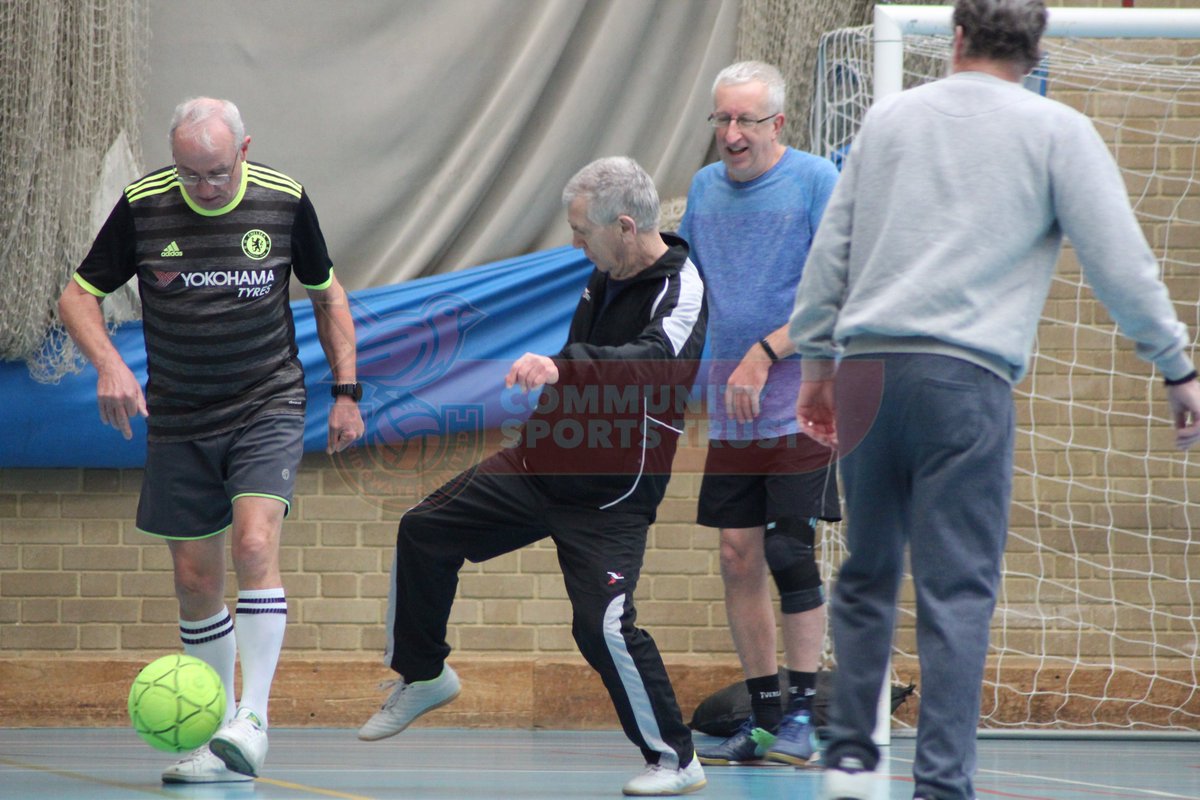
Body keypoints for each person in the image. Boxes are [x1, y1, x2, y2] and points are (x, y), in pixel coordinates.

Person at [786, 2, 1200, 799]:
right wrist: (1174, 364)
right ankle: (942, 785)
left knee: (867, 570)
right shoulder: (1057, 130)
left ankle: (851, 758)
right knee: (956, 589)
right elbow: (1120, 262)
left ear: (956, 39)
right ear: (1037, 52)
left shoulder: (889, 119)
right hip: (964, 380)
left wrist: (815, 363)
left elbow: (831, 250)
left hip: (867, 371)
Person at [357, 156, 709, 797]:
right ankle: (424, 674)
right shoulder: (606, 271)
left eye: (581, 232)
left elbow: (654, 362)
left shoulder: (681, 287)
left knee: (602, 627)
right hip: (539, 464)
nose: (575, 244)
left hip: (611, 494)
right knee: (426, 529)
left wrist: (561, 366)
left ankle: (675, 759)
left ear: (624, 227)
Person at [58, 97, 365, 784]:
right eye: (190, 174)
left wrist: (347, 393)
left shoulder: (284, 202)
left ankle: (253, 718)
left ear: (244, 151)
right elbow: (76, 296)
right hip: (180, 414)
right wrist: (109, 365)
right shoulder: (144, 206)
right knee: (194, 581)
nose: (204, 187)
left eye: (218, 173)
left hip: (267, 402)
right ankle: (219, 735)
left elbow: (328, 295)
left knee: (254, 545)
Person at [677, 61, 840, 768]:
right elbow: (686, 282)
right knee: (736, 555)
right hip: (732, 412)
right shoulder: (704, 189)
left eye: (746, 119)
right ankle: (767, 718)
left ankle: (804, 716)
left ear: (778, 123)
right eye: (722, 118)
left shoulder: (815, 182)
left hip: (805, 405)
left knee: (788, 552)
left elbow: (840, 291)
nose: (732, 133)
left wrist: (766, 352)